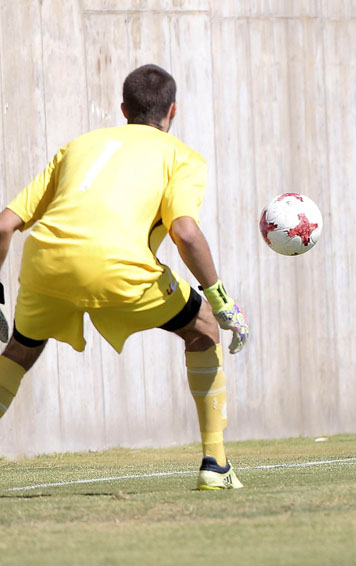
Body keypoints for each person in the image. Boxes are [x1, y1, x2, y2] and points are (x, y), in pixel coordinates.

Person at [0, 64, 249, 488]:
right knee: (204, 326)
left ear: (123, 108)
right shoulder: (182, 157)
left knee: (21, 351)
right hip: (118, 267)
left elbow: (5, 224)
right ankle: (216, 466)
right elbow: (185, 232)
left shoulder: (77, 146)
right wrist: (223, 300)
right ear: (173, 110)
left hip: (44, 264)